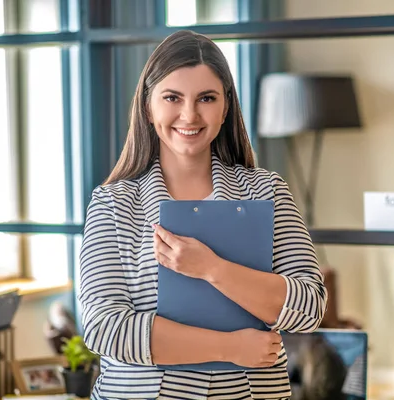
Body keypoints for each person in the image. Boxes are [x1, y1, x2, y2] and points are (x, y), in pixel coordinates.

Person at [78, 29, 328, 400]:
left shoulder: (267, 191)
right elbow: (106, 328)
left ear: (225, 107)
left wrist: (212, 268)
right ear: (149, 106)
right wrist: (228, 348)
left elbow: (308, 308)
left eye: (206, 98)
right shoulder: (113, 204)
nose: (189, 114)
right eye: (172, 98)